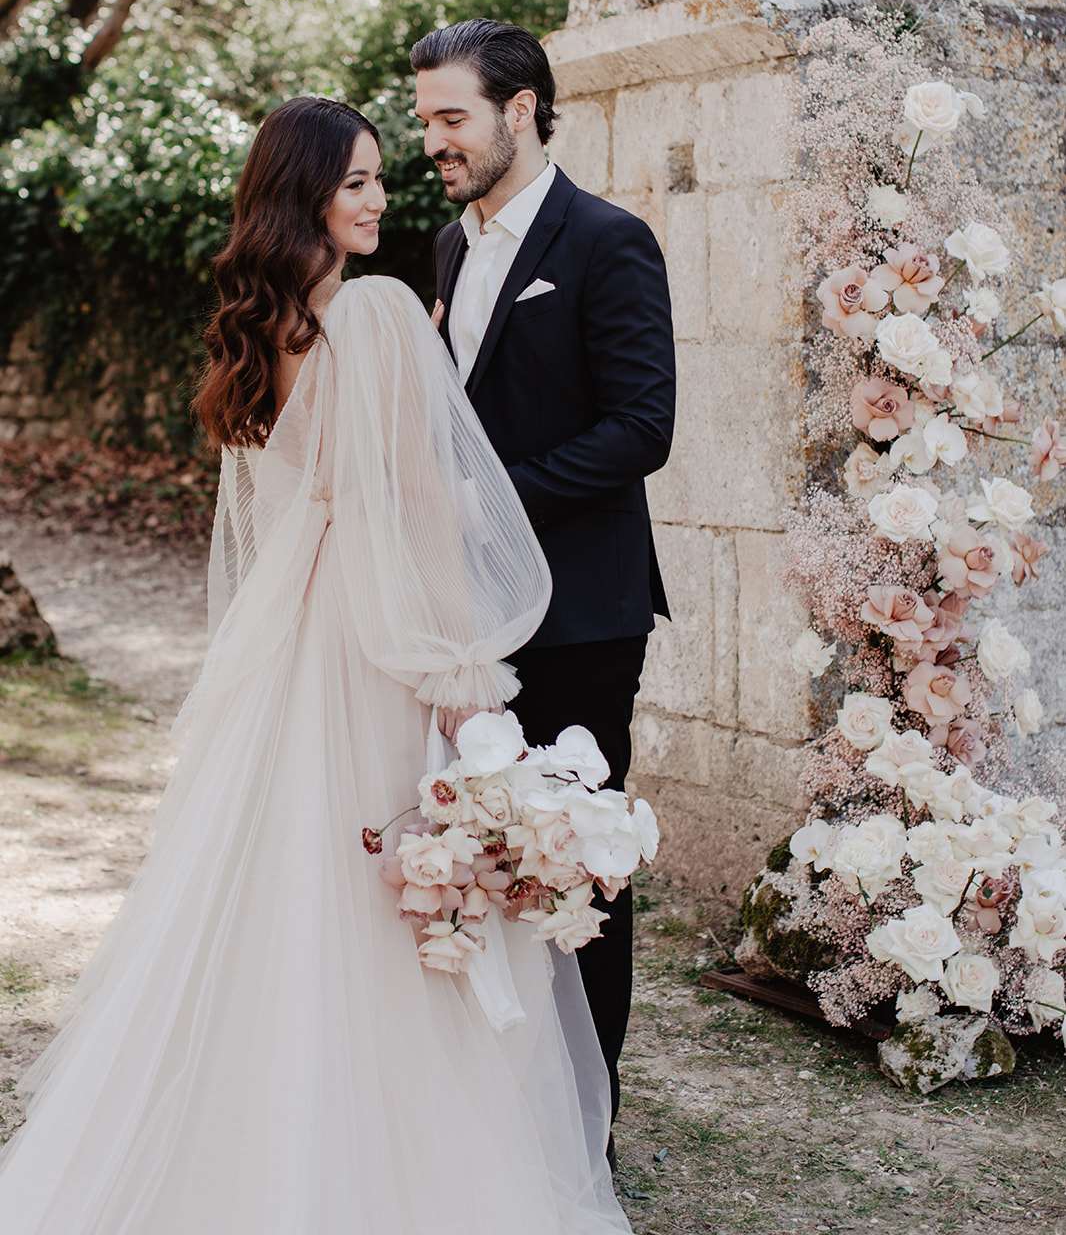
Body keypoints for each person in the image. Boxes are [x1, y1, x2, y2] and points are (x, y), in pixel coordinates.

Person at [0, 96, 631, 1234]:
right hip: (374, 640)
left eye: (381, 177)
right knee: (384, 881)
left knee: (285, 879)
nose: (379, 198)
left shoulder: (260, 331)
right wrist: (456, 668)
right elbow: (419, 510)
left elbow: (295, 509)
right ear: (304, 197)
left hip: (295, 640)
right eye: (354, 182)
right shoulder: (380, 313)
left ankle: (256, 1130)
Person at [413, 19, 676, 1135]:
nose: (433, 140)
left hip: (581, 617)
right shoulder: (443, 247)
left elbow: (641, 427)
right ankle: (499, 1127)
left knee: (578, 876)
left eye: (450, 118)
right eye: (424, 119)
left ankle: (584, 1129)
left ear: (519, 111)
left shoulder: (608, 241)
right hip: (473, 621)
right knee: (477, 860)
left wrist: (486, 497)